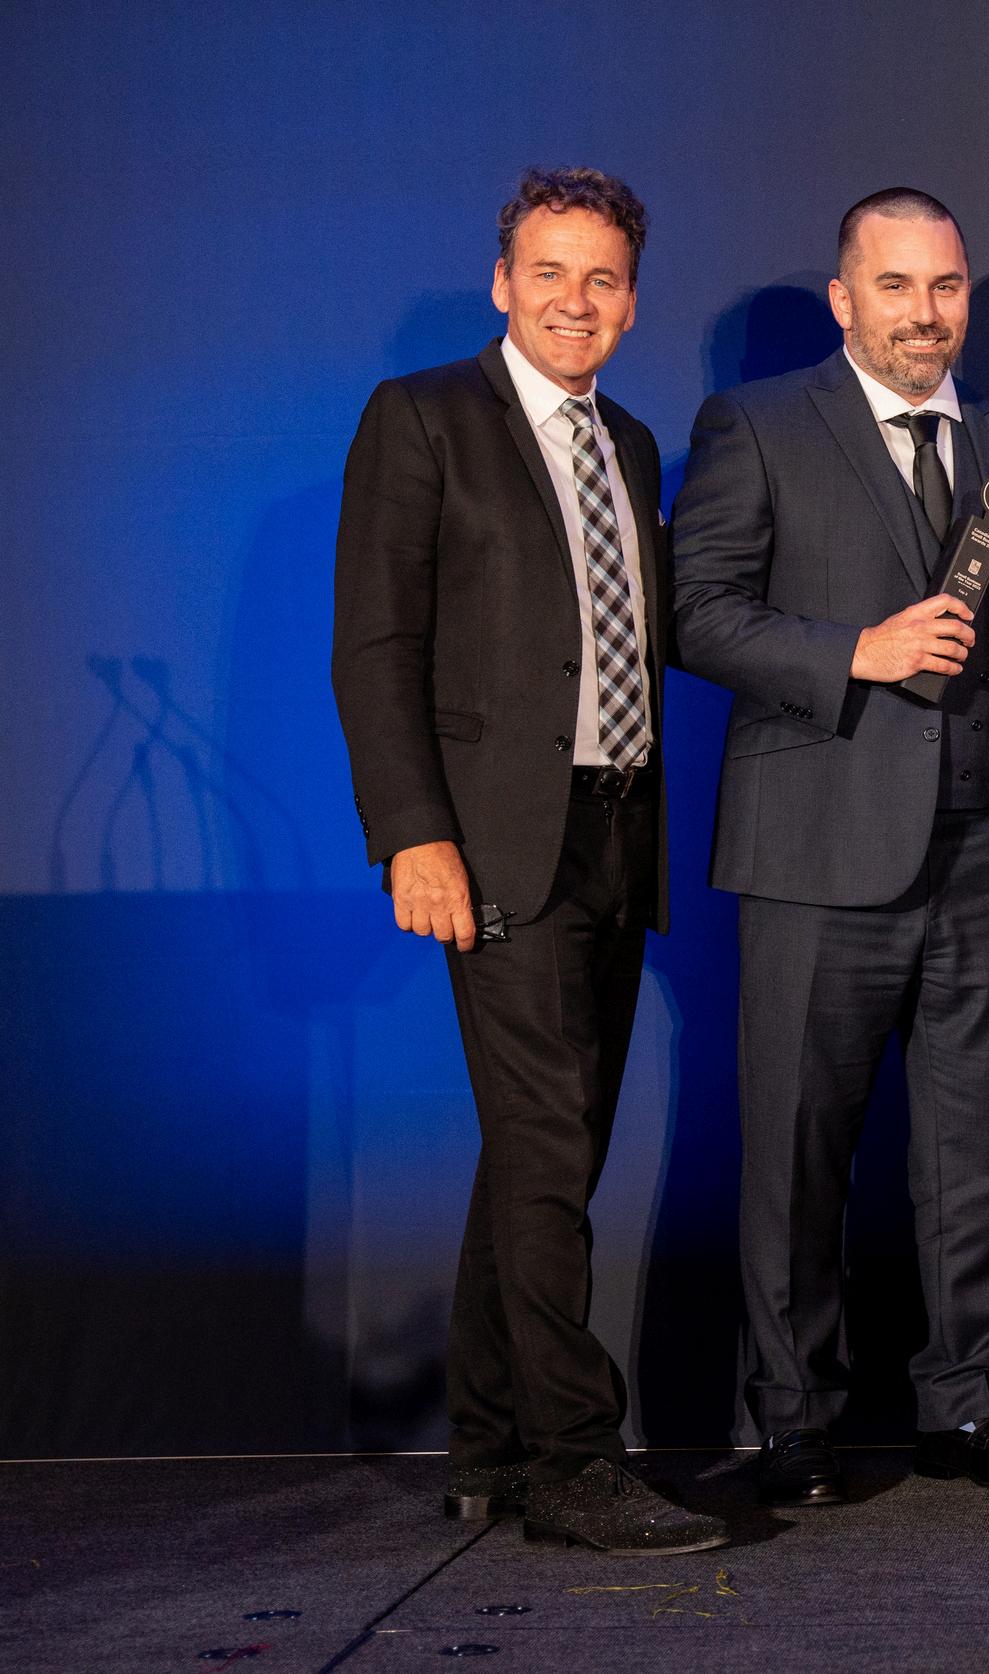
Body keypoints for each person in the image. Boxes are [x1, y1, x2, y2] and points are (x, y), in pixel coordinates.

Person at [331, 167, 724, 1554]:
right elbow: (375, 646)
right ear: (503, 282)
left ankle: (488, 1442)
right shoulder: (423, 417)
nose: (576, 300)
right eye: (549, 272)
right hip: (493, 835)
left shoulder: (631, 441)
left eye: (602, 278)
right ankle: (573, 1461)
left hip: (617, 830)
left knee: (543, 1149)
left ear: (632, 300)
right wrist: (414, 834)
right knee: (551, 1147)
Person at [671, 189, 989, 1500]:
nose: (924, 312)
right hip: (815, 847)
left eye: (945, 286)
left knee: (980, 1153)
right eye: (895, 286)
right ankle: (796, 1419)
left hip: (987, 849)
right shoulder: (757, 423)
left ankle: (965, 1407)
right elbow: (696, 611)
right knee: (796, 1151)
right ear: (845, 299)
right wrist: (857, 650)